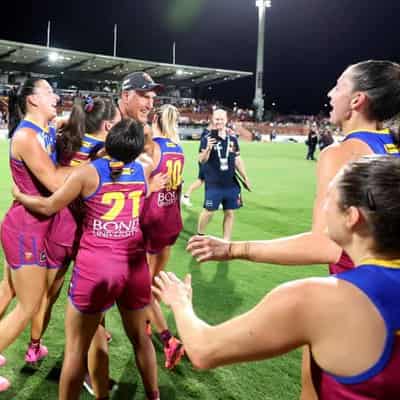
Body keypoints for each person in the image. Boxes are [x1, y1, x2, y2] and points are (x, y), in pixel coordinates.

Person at [187, 60, 400, 399]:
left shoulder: (343, 153)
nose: (330, 94)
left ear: (358, 99)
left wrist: (234, 249)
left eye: (338, 86)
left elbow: (325, 245)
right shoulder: (392, 144)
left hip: (355, 297)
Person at [155, 155, 400, 400]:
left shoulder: (317, 299)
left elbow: (203, 349)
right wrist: (234, 249)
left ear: (352, 217)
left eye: (329, 198)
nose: (323, 206)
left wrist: (179, 301)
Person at [13, 119, 160, 400]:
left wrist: (20, 195)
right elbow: (146, 153)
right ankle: (154, 396)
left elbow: (48, 206)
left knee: (77, 348)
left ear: (109, 140)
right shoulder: (143, 170)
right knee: (141, 339)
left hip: (97, 266)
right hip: (134, 265)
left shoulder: (87, 173)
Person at [0, 78, 69, 391]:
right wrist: (91, 170)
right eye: (49, 92)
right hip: (27, 230)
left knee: (8, 291)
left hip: (27, 225)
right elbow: (55, 183)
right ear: (32, 100)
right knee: (29, 306)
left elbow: (68, 121)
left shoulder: (44, 128)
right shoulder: (27, 136)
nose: (56, 96)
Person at [141, 104, 185, 369]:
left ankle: (168, 340)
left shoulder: (152, 148)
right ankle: (147, 322)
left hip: (152, 221)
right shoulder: (177, 148)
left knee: (142, 287)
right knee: (155, 277)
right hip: (172, 219)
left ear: (155, 119)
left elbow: (139, 183)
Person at [197, 109, 250, 240]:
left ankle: (226, 241)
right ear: (213, 120)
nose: (219, 121)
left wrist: (245, 177)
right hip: (214, 184)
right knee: (208, 212)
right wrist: (208, 148)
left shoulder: (233, 139)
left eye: (221, 119)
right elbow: (201, 160)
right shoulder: (206, 138)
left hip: (231, 183)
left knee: (230, 212)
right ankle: (200, 236)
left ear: (226, 120)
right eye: (216, 119)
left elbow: (237, 159)